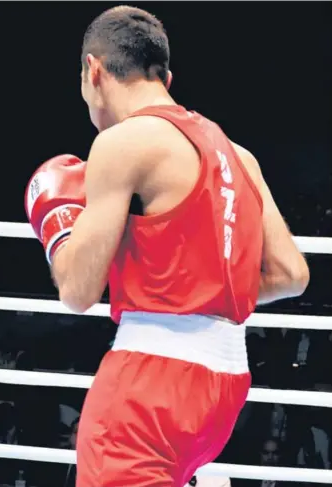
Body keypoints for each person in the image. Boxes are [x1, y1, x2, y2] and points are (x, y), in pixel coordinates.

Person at [24, 6, 310, 486]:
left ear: (93, 70)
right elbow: (291, 275)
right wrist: (195, 288)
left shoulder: (123, 141)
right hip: (223, 388)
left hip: (148, 383)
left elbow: (77, 291)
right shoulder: (238, 155)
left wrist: (58, 226)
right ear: (167, 77)